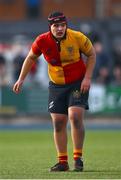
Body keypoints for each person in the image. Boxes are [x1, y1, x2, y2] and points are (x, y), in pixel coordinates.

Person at [13, 11, 96, 172]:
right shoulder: (42, 41)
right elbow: (30, 58)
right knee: (58, 122)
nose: (60, 29)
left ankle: (78, 158)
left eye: (62, 25)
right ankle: (62, 162)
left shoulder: (78, 37)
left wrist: (88, 78)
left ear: (66, 26)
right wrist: (21, 79)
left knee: (75, 116)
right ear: (50, 27)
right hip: (57, 86)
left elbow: (91, 54)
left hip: (77, 83)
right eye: (56, 26)